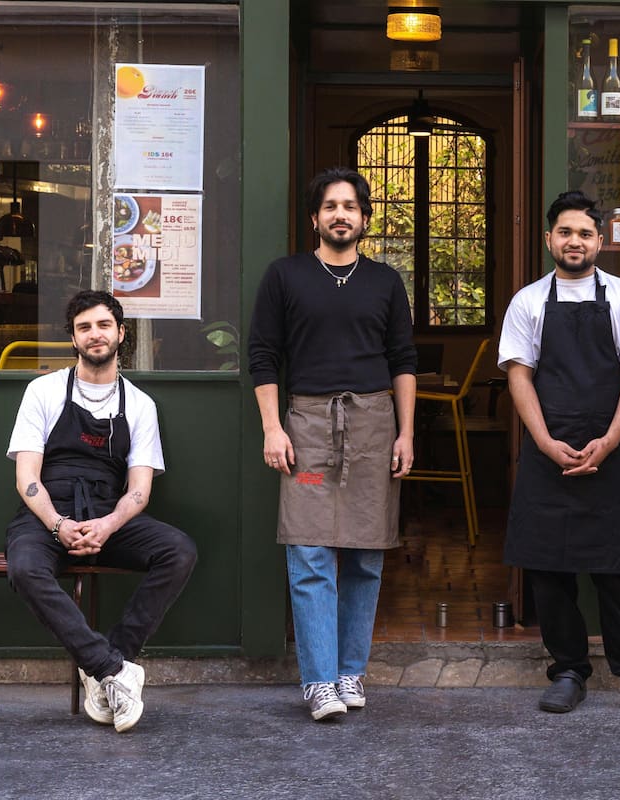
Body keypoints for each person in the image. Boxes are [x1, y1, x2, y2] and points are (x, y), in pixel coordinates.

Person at [498, 190, 620, 723]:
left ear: (600, 240)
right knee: (548, 568)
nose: (574, 241)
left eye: (584, 233)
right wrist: (543, 441)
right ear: (549, 239)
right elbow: (519, 375)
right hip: (545, 449)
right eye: (564, 232)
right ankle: (568, 671)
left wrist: (610, 439)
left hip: (610, 447)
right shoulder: (529, 301)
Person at [248, 167, 416, 721]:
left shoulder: (386, 282)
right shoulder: (285, 275)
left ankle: (350, 671)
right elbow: (264, 355)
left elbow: (403, 363)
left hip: (373, 424)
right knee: (311, 551)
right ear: (315, 218)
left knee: (366, 555)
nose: (340, 214)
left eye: (350, 206)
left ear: (365, 218)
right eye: (330, 206)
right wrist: (274, 427)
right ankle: (319, 681)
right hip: (309, 427)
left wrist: (407, 433)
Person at [5, 290, 197, 733]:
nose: (95, 335)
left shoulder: (140, 404)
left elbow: (140, 490)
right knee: (25, 568)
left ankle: (111, 662)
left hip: (109, 513)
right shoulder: (43, 391)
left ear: (121, 333)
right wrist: (58, 524)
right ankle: (111, 670)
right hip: (47, 513)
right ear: (73, 338)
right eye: (84, 327)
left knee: (178, 550)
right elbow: (26, 477)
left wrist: (108, 526)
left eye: (103, 325)